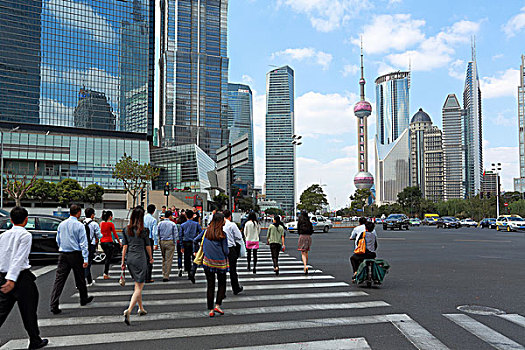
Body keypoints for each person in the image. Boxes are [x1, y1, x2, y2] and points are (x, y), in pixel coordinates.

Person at [0, 207, 48, 350]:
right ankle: (35, 340)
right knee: (29, 311)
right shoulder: (25, 235)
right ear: (26, 219)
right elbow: (19, 259)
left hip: (3, 276)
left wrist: (5, 278)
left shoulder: (3, 236)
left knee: (1, 311)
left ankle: (35, 340)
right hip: (20, 279)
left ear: (11, 220)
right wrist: (12, 279)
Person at [50, 205, 93, 314]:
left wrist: (62, 247)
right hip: (75, 254)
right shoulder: (79, 225)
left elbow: (58, 240)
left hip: (63, 254)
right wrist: (85, 258)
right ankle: (83, 299)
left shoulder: (61, 224)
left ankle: (54, 304)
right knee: (80, 278)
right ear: (78, 213)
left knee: (59, 280)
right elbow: (83, 243)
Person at [121, 207, 154, 325]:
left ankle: (141, 308)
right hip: (140, 258)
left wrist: (123, 262)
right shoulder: (144, 230)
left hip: (130, 258)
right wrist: (150, 258)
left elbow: (124, 247)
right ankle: (129, 310)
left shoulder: (126, 230)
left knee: (137, 284)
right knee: (139, 287)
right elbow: (148, 246)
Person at [202, 212, 229, 317]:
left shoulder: (206, 232)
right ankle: (218, 305)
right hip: (220, 263)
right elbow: (226, 251)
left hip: (208, 262)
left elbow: (196, 240)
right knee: (222, 284)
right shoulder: (222, 235)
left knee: (210, 285)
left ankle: (210, 309)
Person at [223, 210, 244, 295]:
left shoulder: (219, 225)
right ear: (230, 216)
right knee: (232, 270)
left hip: (221, 249)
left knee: (221, 270)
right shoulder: (232, 225)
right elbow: (239, 236)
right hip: (231, 249)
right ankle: (235, 288)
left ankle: (222, 291)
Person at [180, 210, 202, 283]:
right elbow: (201, 233)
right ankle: (193, 271)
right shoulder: (196, 224)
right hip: (194, 242)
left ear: (186, 216)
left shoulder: (183, 225)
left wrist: (181, 245)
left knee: (187, 258)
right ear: (193, 216)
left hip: (186, 243)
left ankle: (189, 272)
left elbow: (180, 236)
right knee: (195, 258)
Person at [83, 207, 102, 287]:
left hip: (82, 245)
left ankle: (90, 281)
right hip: (91, 245)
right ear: (92, 215)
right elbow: (99, 235)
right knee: (88, 263)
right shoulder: (94, 224)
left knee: (85, 262)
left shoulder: (81, 223)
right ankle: (81, 281)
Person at [157, 210, 178, 282]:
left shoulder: (160, 223)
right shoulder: (172, 224)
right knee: (168, 259)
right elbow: (175, 234)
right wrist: (174, 243)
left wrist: (159, 241)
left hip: (162, 241)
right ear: (170, 216)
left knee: (163, 258)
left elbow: (158, 233)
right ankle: (166, 275)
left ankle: (163, 273)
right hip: (170, 242)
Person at [100, 210, 121, 279]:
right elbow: (115, 234)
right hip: (109, 242)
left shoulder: (101, 223)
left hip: (102, 242)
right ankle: (105, 273)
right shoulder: (110, 224)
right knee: (108, 258)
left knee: (107, 257)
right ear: (110, 216)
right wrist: (119, 242)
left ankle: (106, 273)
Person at [144, 204, 158, 283]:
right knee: (150, 258)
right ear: (153, 211)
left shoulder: (142, 218)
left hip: (142, 240)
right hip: (149, 240)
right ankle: (148, 277)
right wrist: (155, 243)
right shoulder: (153, 220)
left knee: (143, 258)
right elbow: (154, 232)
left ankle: (142, 276)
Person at [297, 211, 313, 275]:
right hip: (308, 237)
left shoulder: (300, 222)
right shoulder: (309, 223)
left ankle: (305, 265)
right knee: (306, 251)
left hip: (302, 236)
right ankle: (306, 264)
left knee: (303, 252)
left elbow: (298, 229)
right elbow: (311, 230)